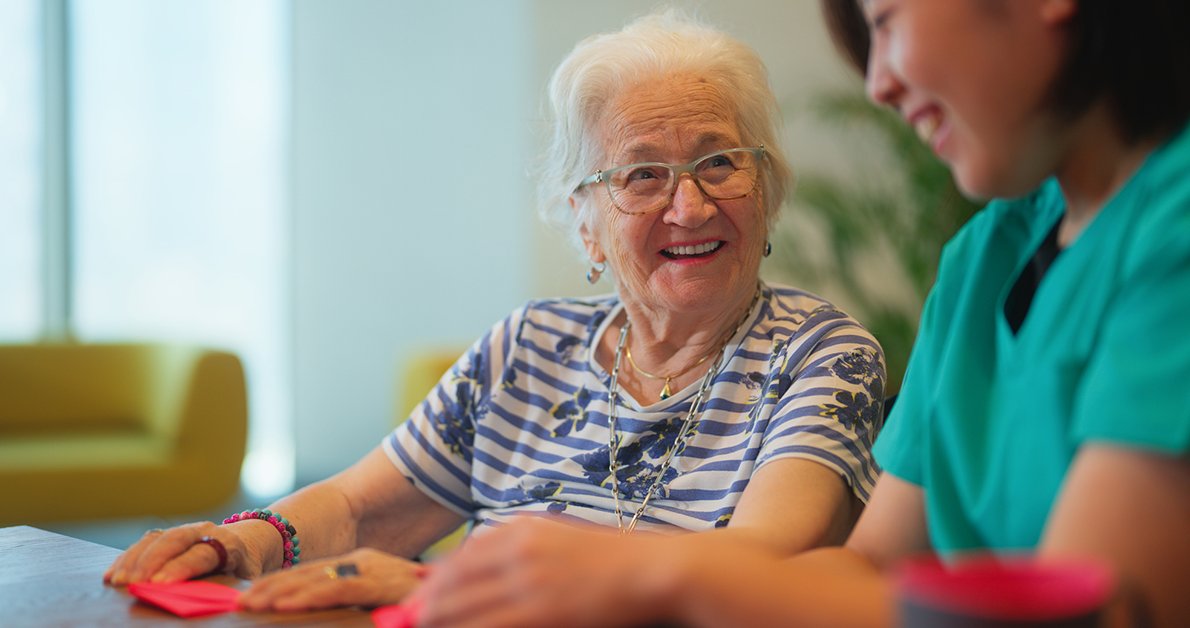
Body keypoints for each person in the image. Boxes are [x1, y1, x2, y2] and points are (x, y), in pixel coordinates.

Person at [408, 0, 1190, 627]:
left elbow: (1096, 613)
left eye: (885, 22)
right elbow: (870, 565)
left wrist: (650, 573)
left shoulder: (1180, 221)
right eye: (643, 176)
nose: (879, 83)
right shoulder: (981, 260)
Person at [103, 9, 886, 613]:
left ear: (769, 190)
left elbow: (766, 563)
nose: (690, 204)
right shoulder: (528, 346)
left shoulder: (822, 356)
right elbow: (359, 510)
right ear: (586, 223)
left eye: (719, 162)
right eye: (642, 175)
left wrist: (435, 590)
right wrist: (240, 541)